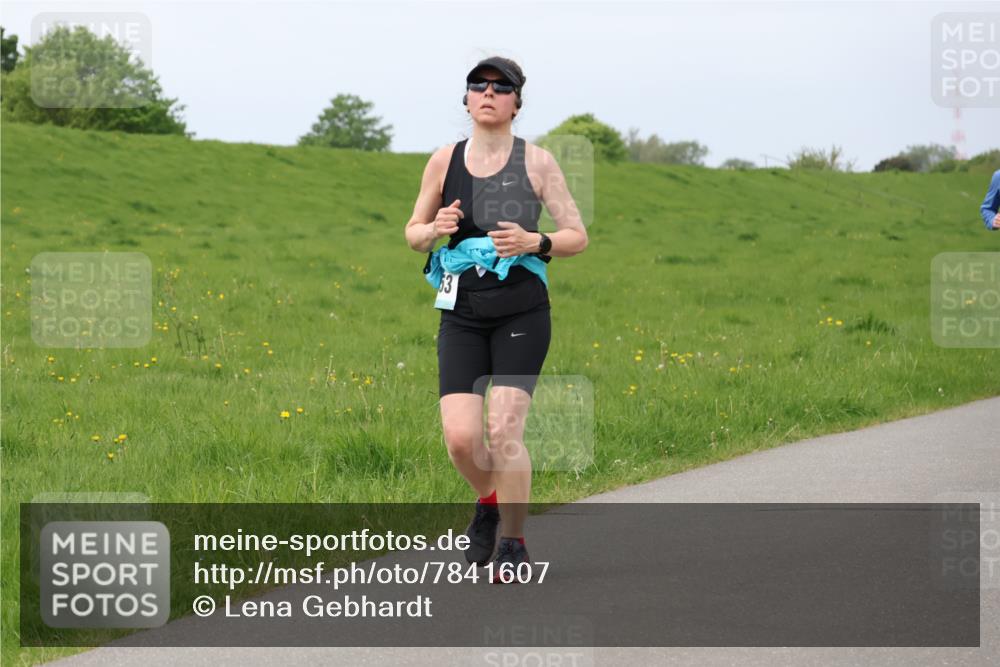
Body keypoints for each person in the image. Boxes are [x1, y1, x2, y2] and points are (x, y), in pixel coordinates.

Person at [403, 56, 588, 583]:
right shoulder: (444, 161)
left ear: (516, 102)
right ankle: (488, 499)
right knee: (461, 438)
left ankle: (513, 540)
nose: (488, 93)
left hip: (522, 309)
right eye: (477, 86)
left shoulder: (539, 162)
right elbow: (413, 232)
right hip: (461, 311)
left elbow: (577, 235)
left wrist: (539, 241)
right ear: (466, 100)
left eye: (500, 87)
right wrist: (433, 228)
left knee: (504, 429)